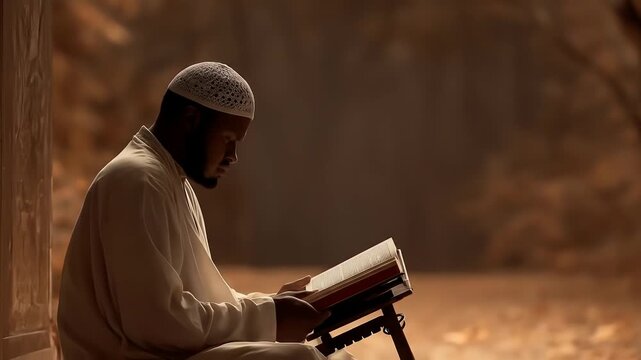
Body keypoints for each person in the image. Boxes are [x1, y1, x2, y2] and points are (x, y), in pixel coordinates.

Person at [57, 62, 355, 359]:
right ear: (191, 120)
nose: (233, 157)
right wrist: (271, 317)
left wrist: (271, 304)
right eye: (228, 140)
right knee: (298, 358)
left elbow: (199, 302)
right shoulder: (137, 180)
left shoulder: (170, 180)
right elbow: (157, 323)